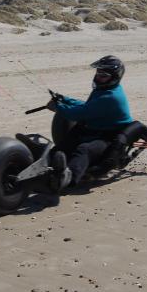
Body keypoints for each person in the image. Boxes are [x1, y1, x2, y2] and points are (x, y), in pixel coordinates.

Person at [46, 55, 134, 191]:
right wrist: (65, 99)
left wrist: (58, 107)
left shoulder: (110, 96)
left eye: (103, 75)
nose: (98, 77)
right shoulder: (103, 90)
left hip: (109, 138)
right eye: (98, 73)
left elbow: (80, 113)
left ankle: (68, 179)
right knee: (67, 142)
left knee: (84, 150)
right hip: (95, 130)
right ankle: (48, 162)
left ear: (115, 77)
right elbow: (86, 106)